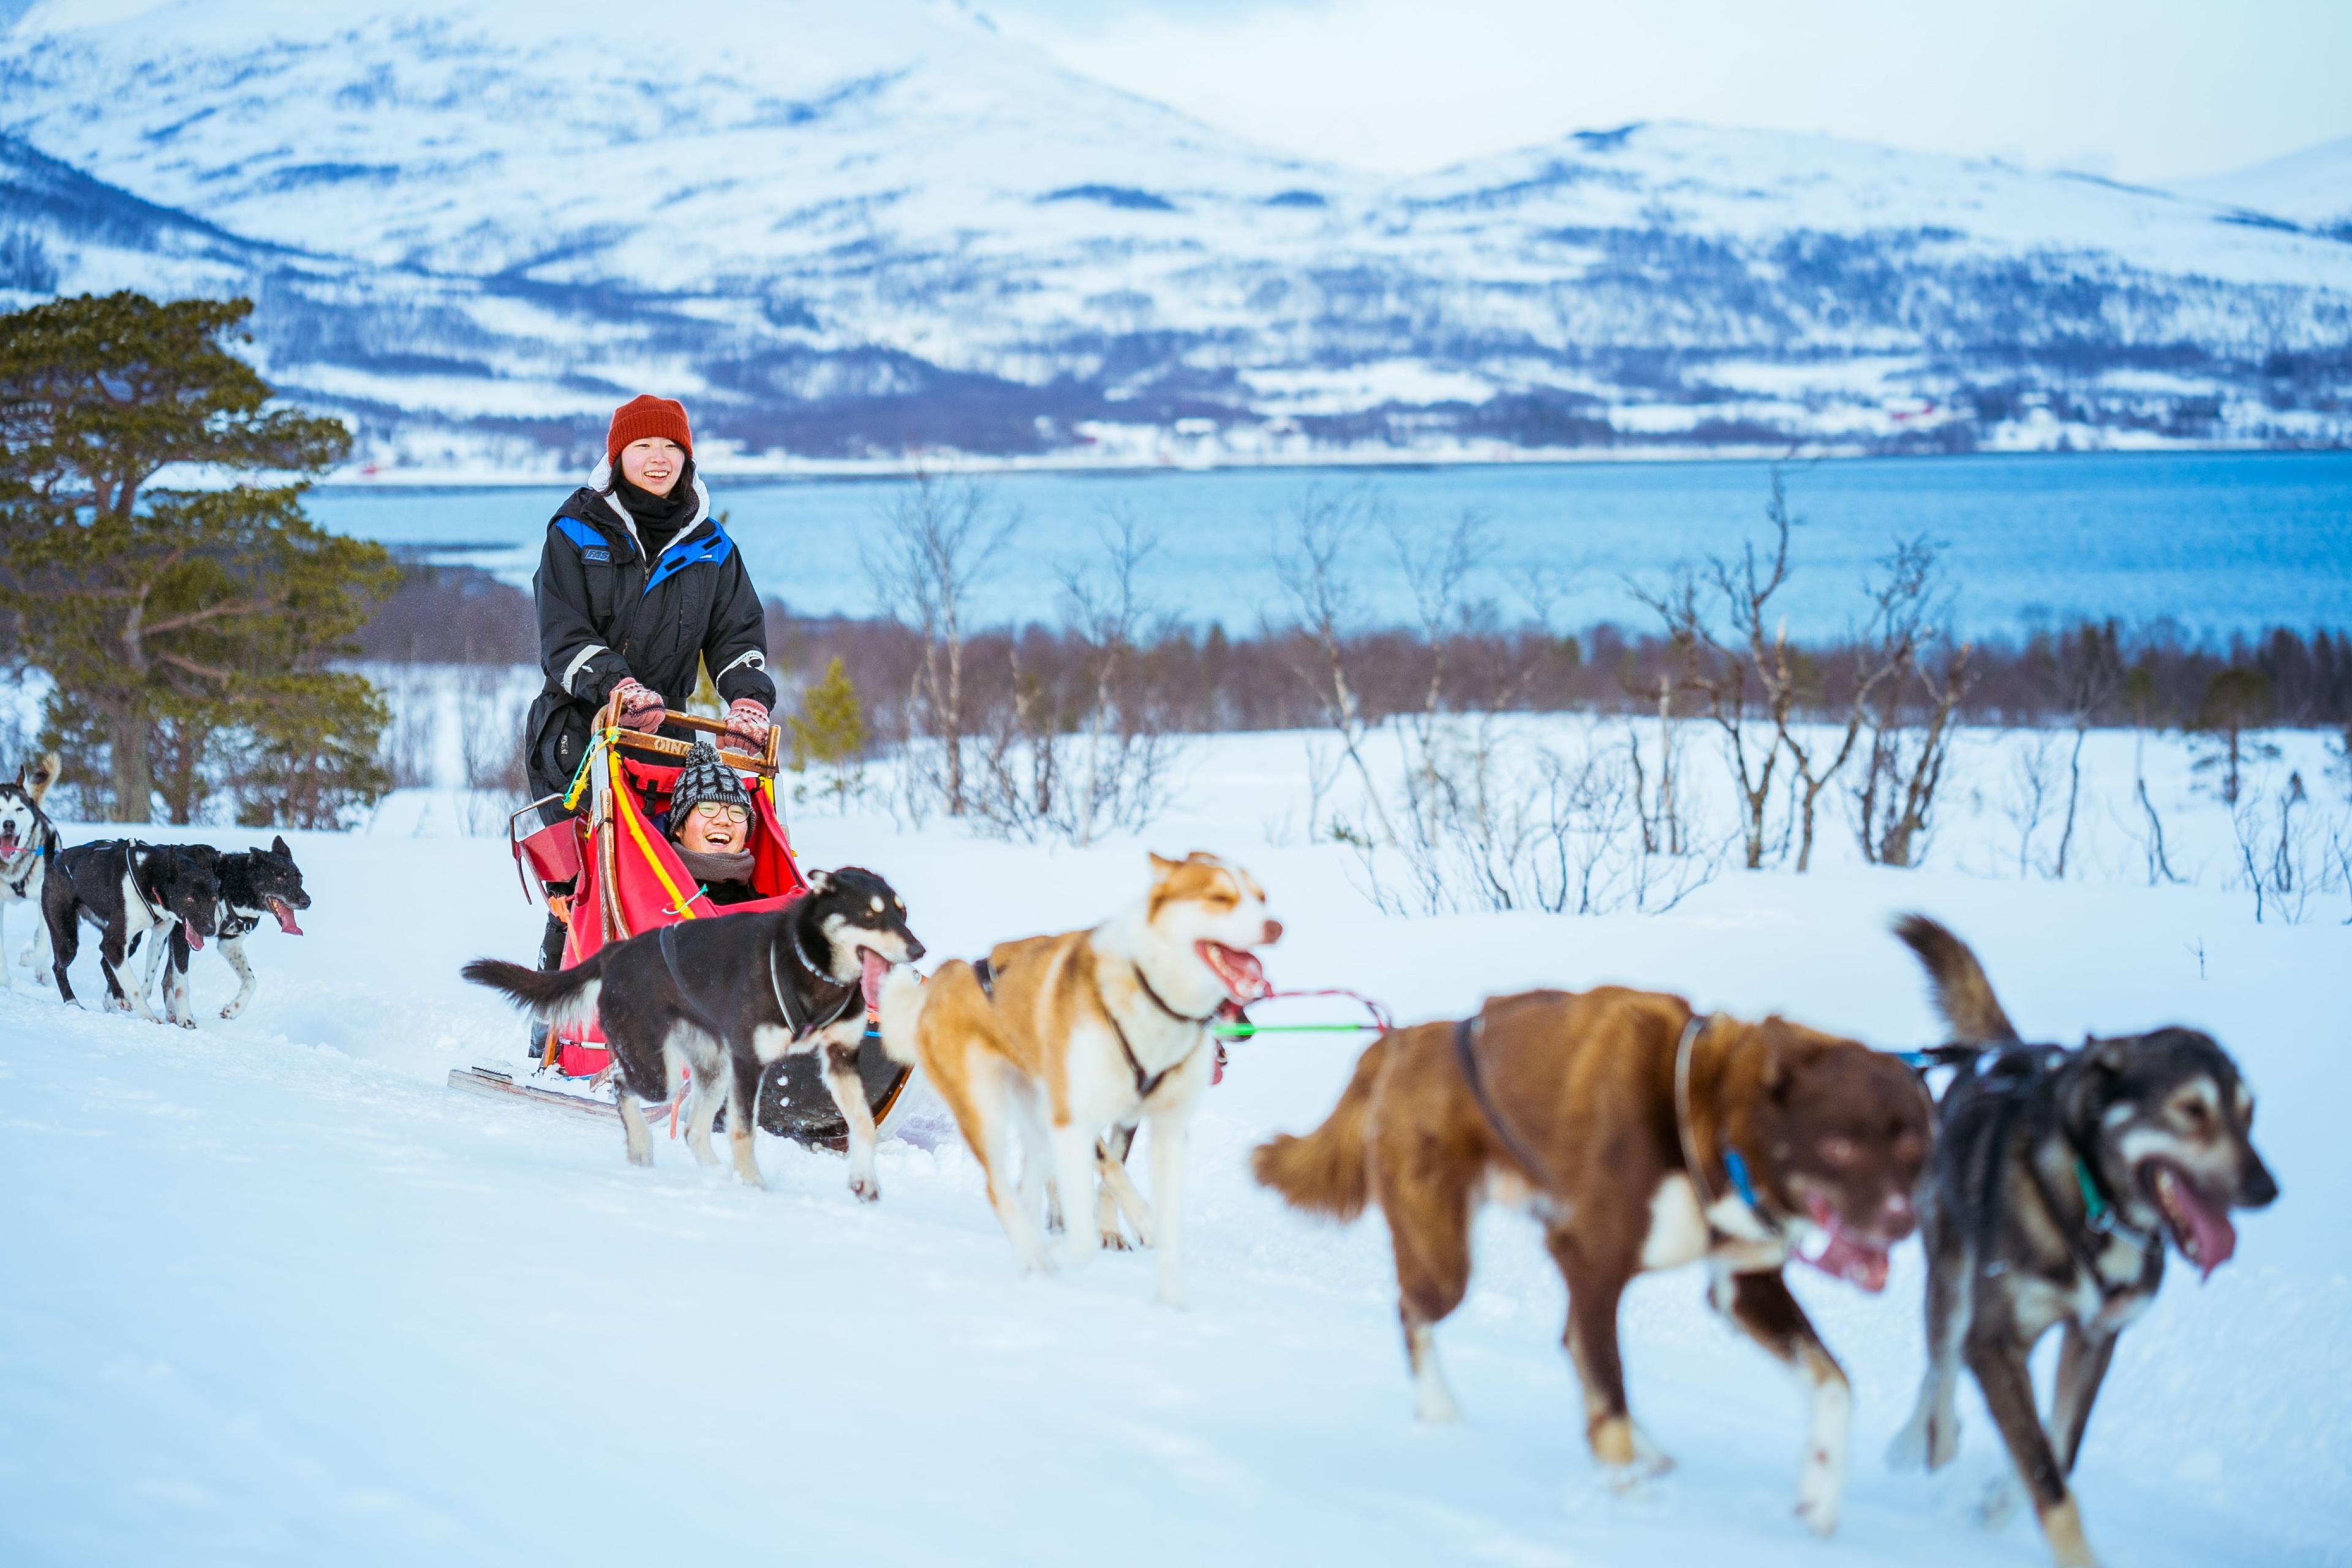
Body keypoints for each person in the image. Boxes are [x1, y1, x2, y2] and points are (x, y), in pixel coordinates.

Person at [521, 394, 777, 971]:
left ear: (687, 458)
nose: (658, 459)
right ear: (618, 456)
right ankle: (558, 1032)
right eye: (643, 447)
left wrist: (747, 701)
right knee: (581, 885)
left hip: (669, 743)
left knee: (669, 876)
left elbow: (738, 636)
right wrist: (618, 685)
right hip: (576, 733)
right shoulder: (574, 531)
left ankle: (669, 1017)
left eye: (671, 448)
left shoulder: (711, 546)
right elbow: (562, 635)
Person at [664, 741, 763, 908]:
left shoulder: (768, 904)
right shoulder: (655, 893)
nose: (724, 820)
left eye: (737, 812)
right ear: (679, 827)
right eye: (708, 808)